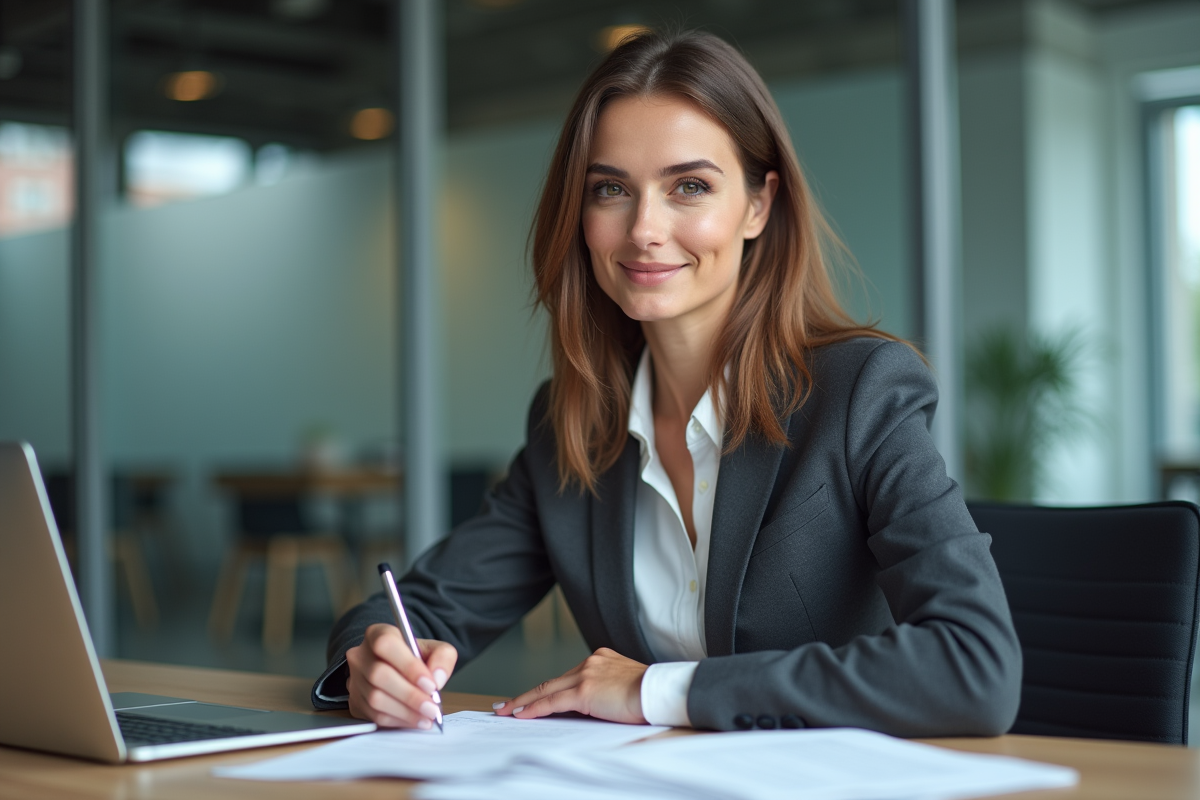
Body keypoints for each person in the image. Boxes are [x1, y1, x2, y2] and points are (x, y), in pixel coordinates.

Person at [311, 29, 1021, 736]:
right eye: (612, 189)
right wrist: (375, 662)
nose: (645, 229)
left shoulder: (861, 392)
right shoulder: (572, 427)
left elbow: (975, 665)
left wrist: (658, 692)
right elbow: (417, 607)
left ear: (758, 205)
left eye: (689, 186)